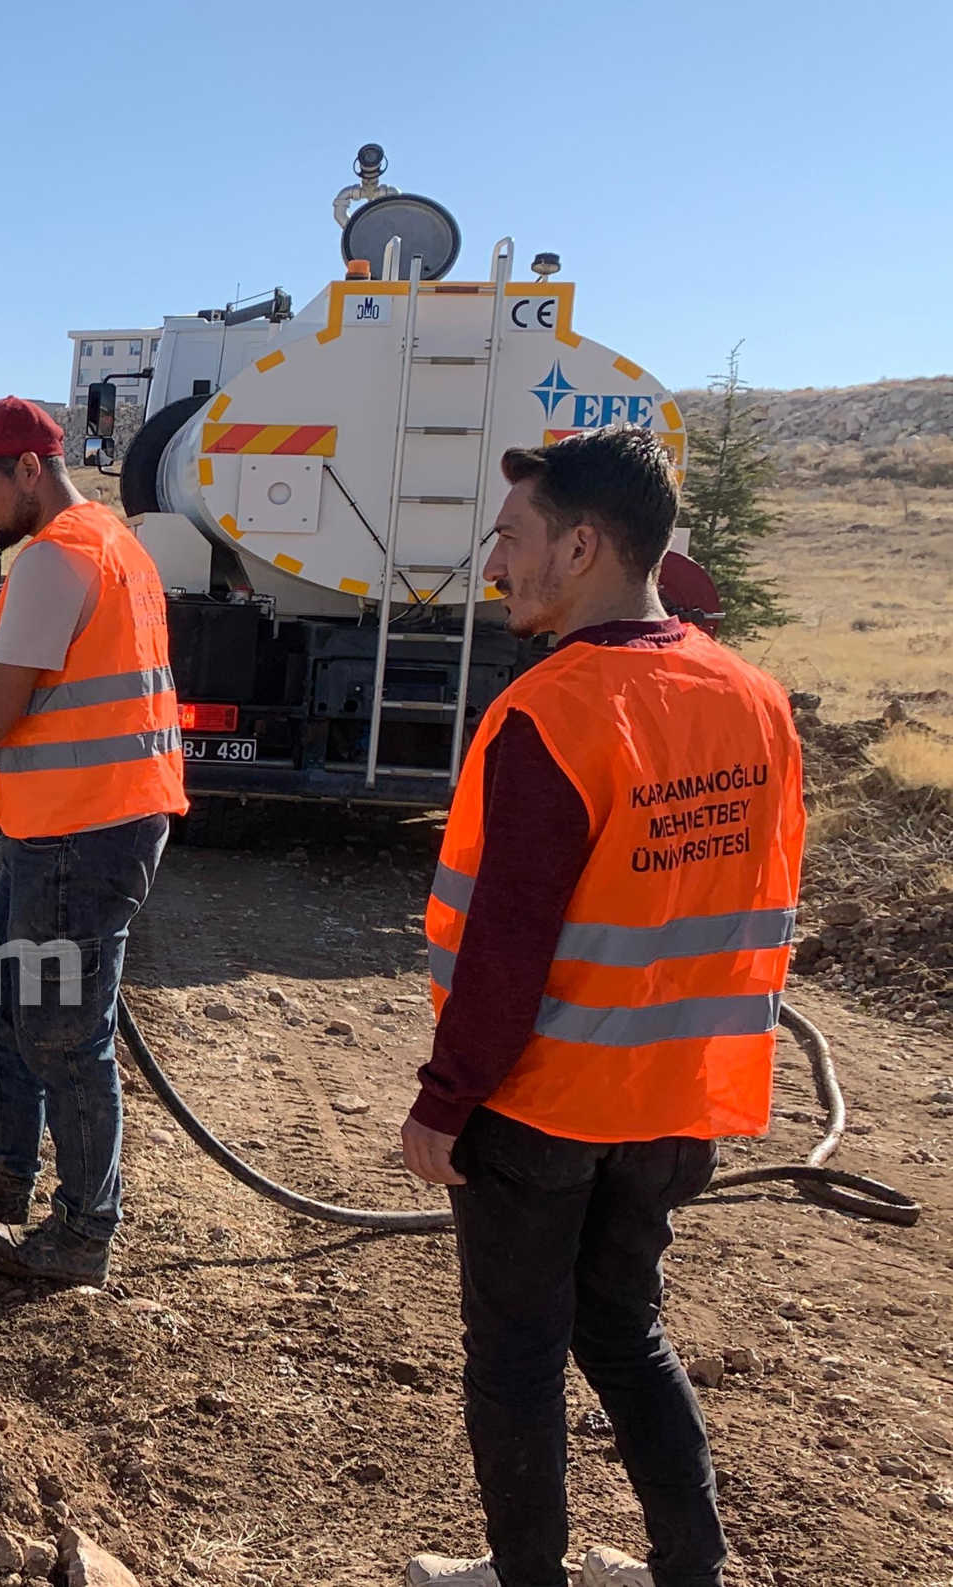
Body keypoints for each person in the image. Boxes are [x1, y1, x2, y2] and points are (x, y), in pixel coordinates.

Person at [398, 428, 803, 1587]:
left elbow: (507, 941)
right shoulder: (751, 697)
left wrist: (444, 1098)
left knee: (515, 1357)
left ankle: (526, 1576)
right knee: (622, 1331)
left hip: (542, 1105)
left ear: (578, 547)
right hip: (679, 1099)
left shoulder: (553, 712)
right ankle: (690, 1570)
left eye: (509, 540)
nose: (493, 566)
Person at [0, 397, 186, 1284]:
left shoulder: (58, 558)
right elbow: (71, 701)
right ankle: (4, 1173)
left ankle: (83, 1232)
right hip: (64, 816)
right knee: (4, 1006)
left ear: (27, 469)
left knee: (62, 1031)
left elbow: (1, 702)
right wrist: (7, 770)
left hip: (86, 831)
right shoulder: (111, 542)